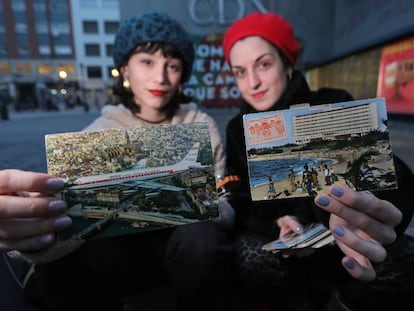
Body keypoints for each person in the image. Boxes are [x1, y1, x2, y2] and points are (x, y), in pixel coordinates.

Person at [1, 12, 233, 311]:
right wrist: (37, 230)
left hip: (184, 249)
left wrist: (210, 206)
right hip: (122, 254)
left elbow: (223, 195)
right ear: (125, 68)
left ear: (182, 75)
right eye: (147, 62)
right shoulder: (102, 130)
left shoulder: (200, 123)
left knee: (202, 238)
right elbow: (69, 215)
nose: (160, 77)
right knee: (59, 272)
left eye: (172, 65)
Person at [223, 11, 414, 310]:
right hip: (282, 246)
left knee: (401, 262)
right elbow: (239, 197)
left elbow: (384, 169)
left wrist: (372, 196)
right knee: (249, 257)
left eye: (263, 64)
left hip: (339, 241)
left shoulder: (333, 101)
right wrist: (277, 223)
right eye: (240, 71)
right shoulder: (237, 128)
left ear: (287, 63)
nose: (253, 82)